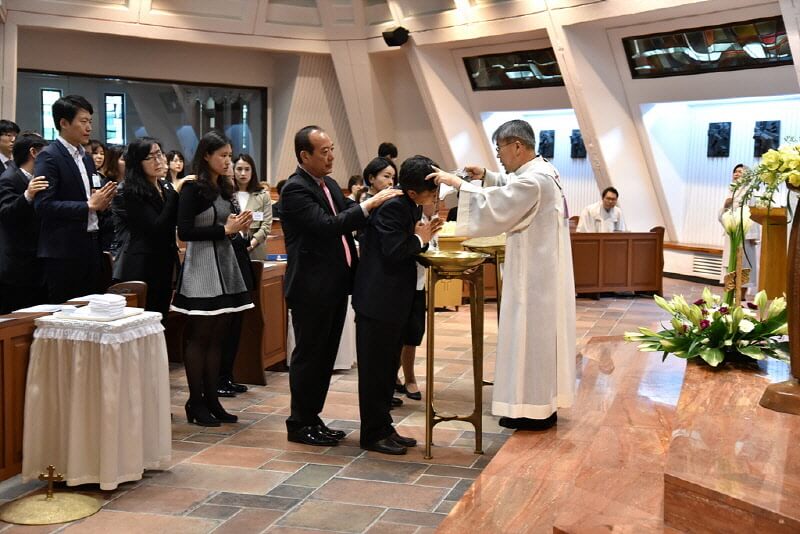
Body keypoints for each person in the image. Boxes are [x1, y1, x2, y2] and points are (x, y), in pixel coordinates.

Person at [428, 119, 576, 431]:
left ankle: (533, 411)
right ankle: (532, 406)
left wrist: (458, 185)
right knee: (532, 342)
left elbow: (499, 202)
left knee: (530, 341)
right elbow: (511, 188)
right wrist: (487, 176)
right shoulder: (544, 170)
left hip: (534, 281)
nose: (499, 156)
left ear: (517, 146)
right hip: (539, 273)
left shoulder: (535, 180)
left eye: (500, 150)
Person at [281, 125, 400, 446]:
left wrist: (371, 206)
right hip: (311, 288)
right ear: (304, 155)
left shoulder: (328, 184)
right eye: (324, 152)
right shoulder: (295, 189)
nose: (331, 156)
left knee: (324, 358)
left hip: (334, 286)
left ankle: (312, 417)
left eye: (332, 149)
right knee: (310, 357)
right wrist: (369, 205)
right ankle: (299, 423)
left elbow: (348, 213)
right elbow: (327, 226)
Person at [353, 155, 443, 454]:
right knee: (375, 373)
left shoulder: (410, 204)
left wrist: (425, 238)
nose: (436, 195)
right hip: (378, 301)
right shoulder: (394, 206)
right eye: (432, 191)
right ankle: (372, 434)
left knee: (387, 370)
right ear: (414, 191)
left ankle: (384, 427)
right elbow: (394, 250)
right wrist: (420, 239)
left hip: (392, 301)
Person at [171, 131, 254, 427]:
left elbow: (227, 227)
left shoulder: (225, 187)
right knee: (201, 336)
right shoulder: (193, 188)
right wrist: (224, 230)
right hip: (202, 266)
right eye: (223, 155)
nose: (228, 161)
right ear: (206, 155)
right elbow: (185, 231)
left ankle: (212, 399)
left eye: (230, 155)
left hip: (225, 264)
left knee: (219, 335)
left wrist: (238, 227)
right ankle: (195, 401)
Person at [34, 95, 117, 303]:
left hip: (91, 245)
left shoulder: (86, 158)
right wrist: (88, 206)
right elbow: (43, 205)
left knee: (92, 309)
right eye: (83, 121)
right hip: (64, 251)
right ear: (64, 123)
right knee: (67, 311)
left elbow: (90, 197)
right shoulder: (49, 156)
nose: (89, 127)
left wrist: (102, 202)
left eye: (90, 121)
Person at [111, 138, 179, 320]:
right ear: (137, 162)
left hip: (165, 263)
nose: (158, 161)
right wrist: (174, 196)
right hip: (142, 265)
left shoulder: (165, 187)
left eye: (159, 154)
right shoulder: (129, 191)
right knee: (144, 320)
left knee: (161, 319)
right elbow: (154, 229)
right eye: (150, 157)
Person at [0, 132, 49, 313]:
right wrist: (27, 195)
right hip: (17, 262)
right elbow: (6, 213)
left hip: (37, 258)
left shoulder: (40, 177)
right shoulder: (9, 178)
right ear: (33, 153)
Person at [719, 163, 759, 295]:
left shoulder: (750, 192)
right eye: (735, 171)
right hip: (731, 234)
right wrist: (725, 206)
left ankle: (741, 297)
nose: (736, 174)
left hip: (744, 235)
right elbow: (721, 217)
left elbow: (753, 214)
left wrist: (753, 235)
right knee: (729, 264)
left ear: (747, 175)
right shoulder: (731, 191)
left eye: (740, 172)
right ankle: (729, 296)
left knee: (744, 265)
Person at [233, 153, 272, 260]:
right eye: (239, 169)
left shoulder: (263, 195)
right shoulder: (227, 195)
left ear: (252, 171)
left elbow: (266, 226)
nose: (243, 173)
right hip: (231, 248)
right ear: (233, 171)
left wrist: (251, 245)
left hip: (256, 249)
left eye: (247, 169)